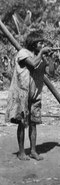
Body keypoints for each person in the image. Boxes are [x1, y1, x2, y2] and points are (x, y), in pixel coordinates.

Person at [5, 30, 53, 161]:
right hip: (22, 94)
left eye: (43, 42)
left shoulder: (41, 57)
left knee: (33, 124)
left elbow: (51, 72)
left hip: (35, 95)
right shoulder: (23, 53)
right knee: (22, 122)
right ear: (33, 43)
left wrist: (50, 58)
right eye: (40, 42)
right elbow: (32, 64)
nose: (42, 44)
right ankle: (21, 152)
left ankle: (33, 151)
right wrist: (42, 53)